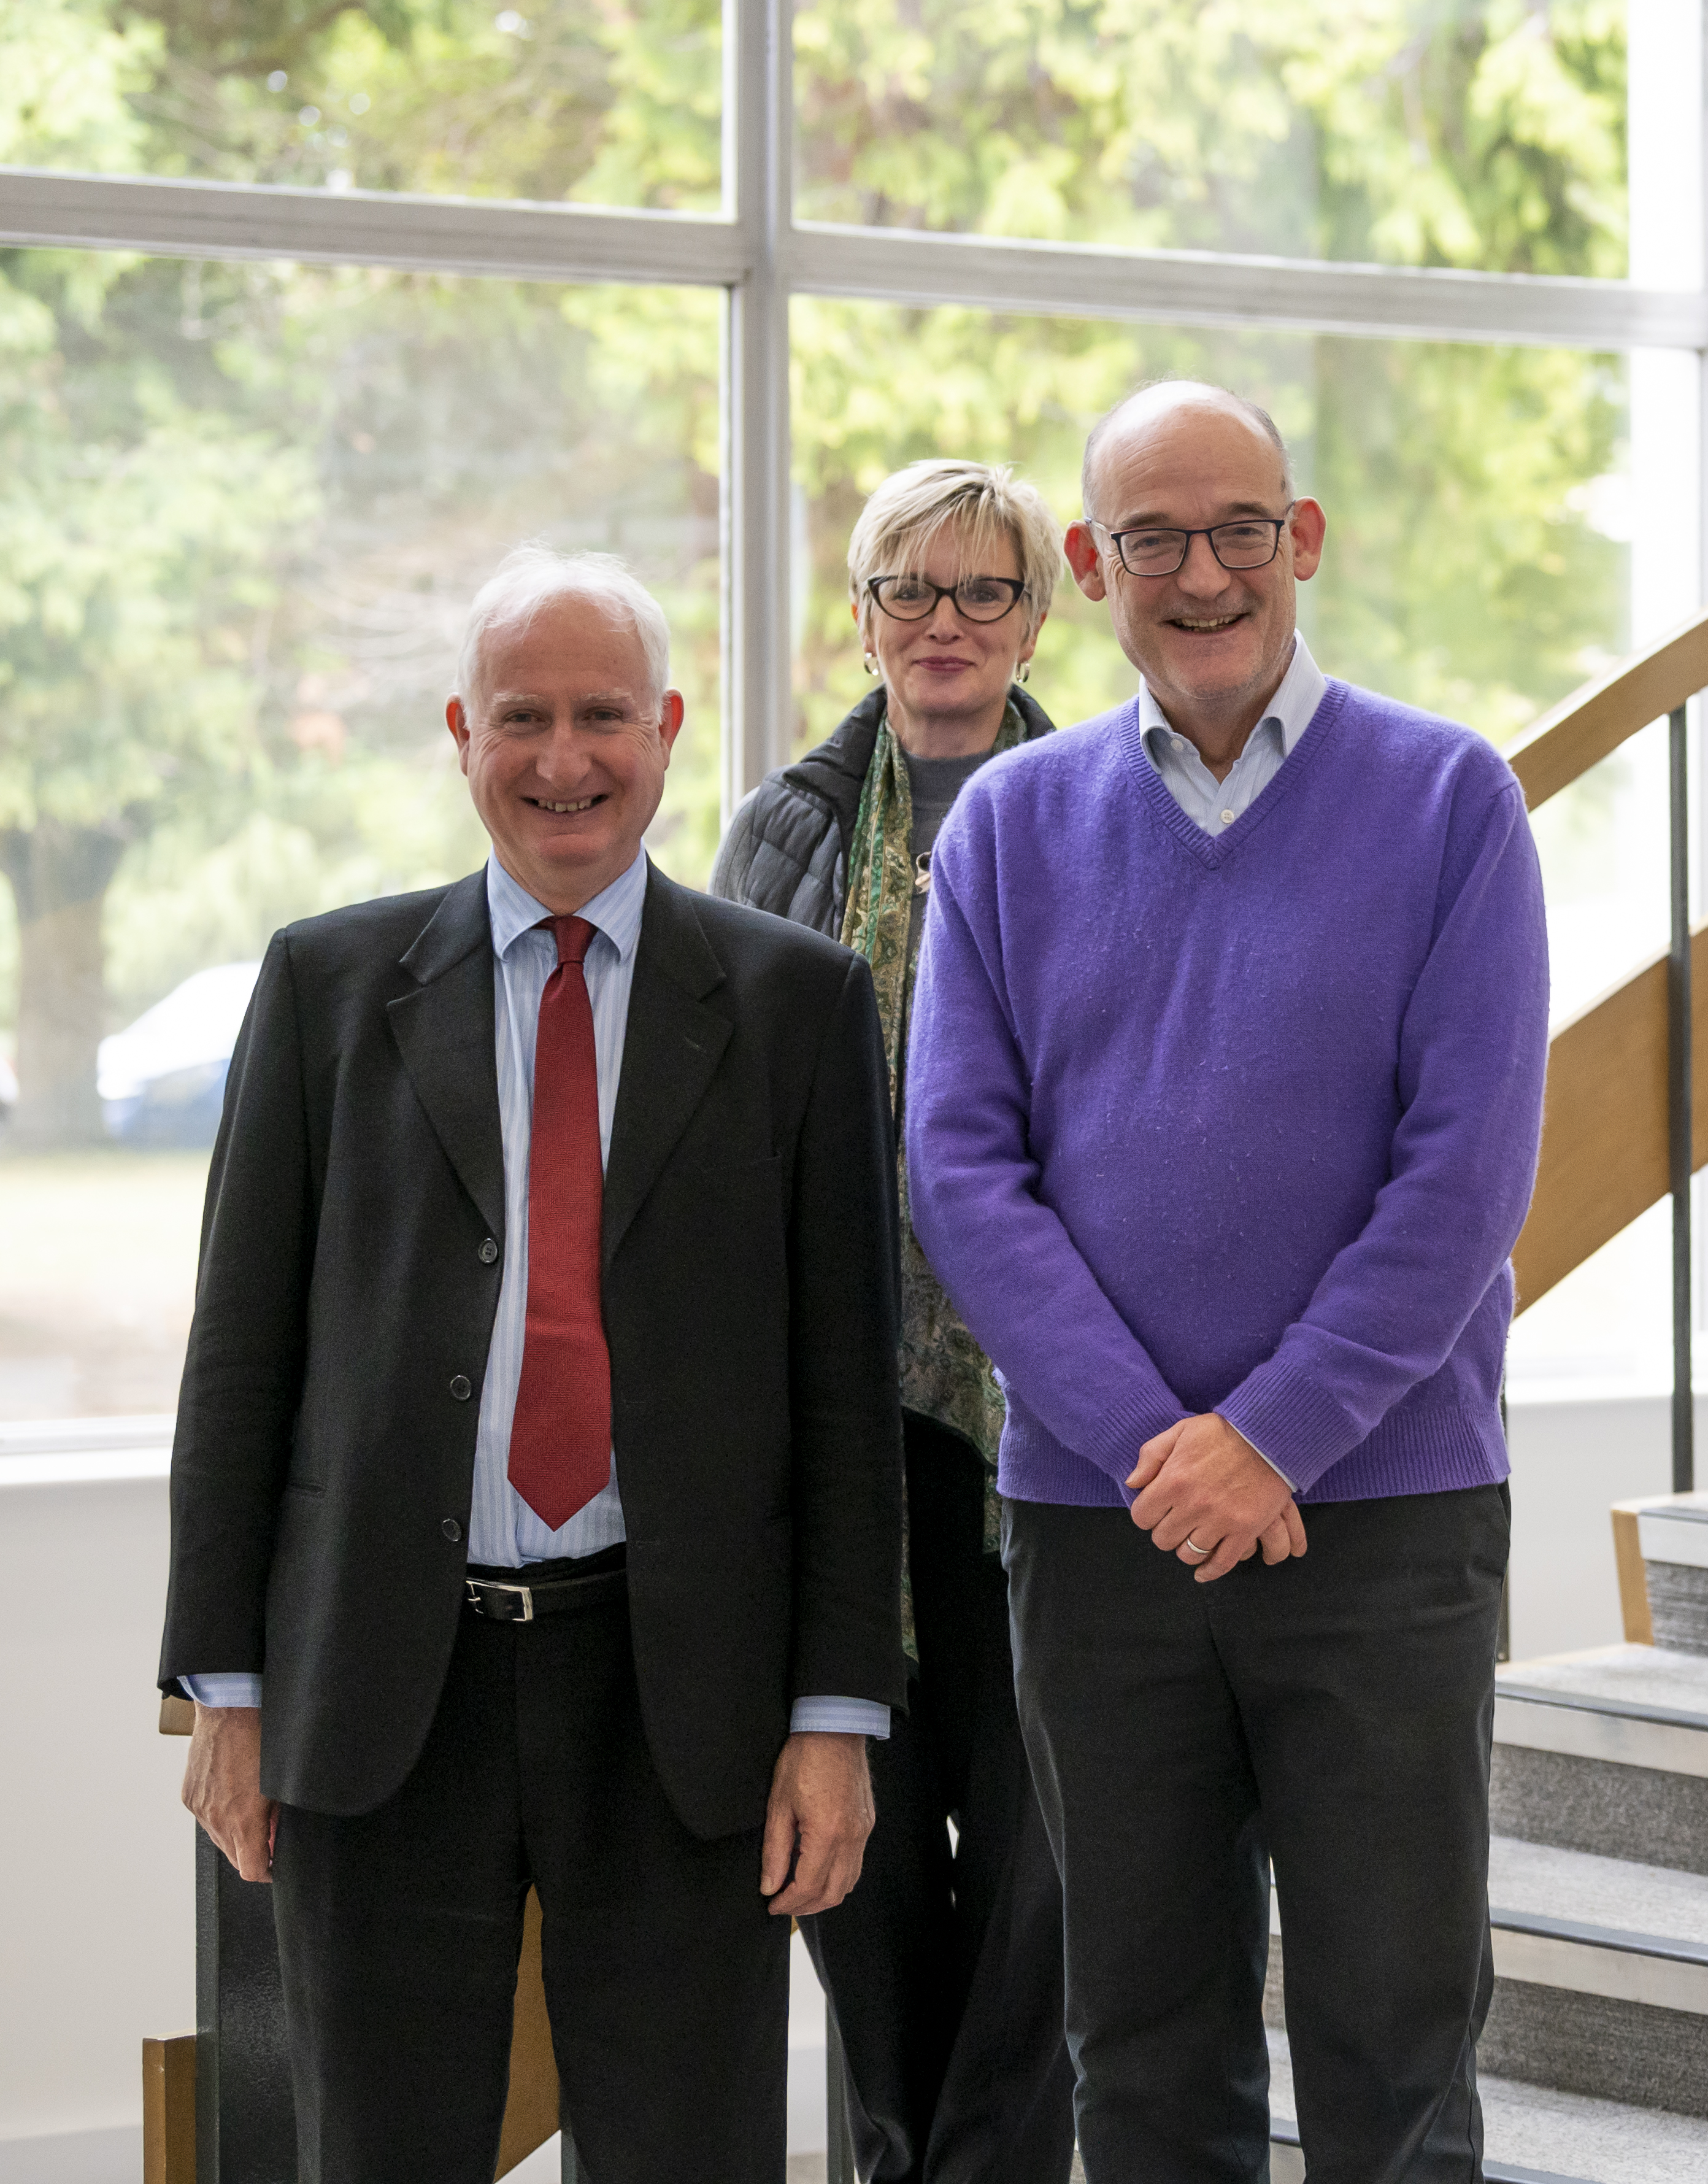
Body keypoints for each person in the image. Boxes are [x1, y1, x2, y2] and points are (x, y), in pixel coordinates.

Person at [162, 549, 906, 2180]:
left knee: (688, 2148)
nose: (563, 760)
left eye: (600, 717)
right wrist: (218, 1685)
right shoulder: (327, 989)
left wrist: (837, 1712)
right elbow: (241, 1358)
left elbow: (846, 1396)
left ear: (668, 728)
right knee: (379, 2145)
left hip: (681, 1695)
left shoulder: (795, 1006)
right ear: (459, 732)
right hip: (381, 1689)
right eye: (522, 719)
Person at [902, 381, 1548, 2184]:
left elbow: (1466, 1176)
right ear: (1097, 567)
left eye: (1241, 529)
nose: (1206, 574)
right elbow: (961, 1169)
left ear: (1304, 541)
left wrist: (1271, 1439)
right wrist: (1156, 1450)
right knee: (1144, 2055)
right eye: (1159, 539)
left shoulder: (1448, 802)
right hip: (1105, 1535)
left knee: (1396, 2059)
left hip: (1388, 1516)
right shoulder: (1012, 830)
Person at [711, 461, 1072, 2184]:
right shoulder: (781, 829)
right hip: (838, 1422)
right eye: (907, 594)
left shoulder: (1104, 807)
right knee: (851, 1860)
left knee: (1034, 1851)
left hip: (1046, 1423)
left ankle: (983, 2161)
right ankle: (895, 2148)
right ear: (857, 621)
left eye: (983, 593)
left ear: (1036, 617)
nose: (945, 627)